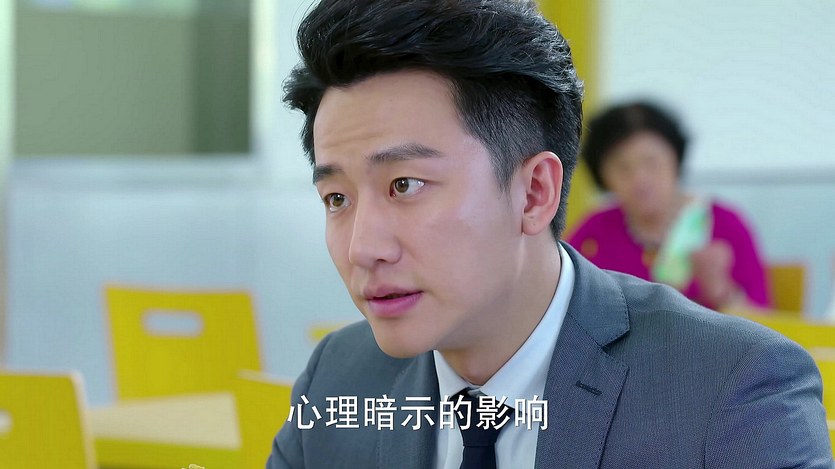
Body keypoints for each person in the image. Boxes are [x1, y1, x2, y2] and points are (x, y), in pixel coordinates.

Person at [269, 0, 831, 467]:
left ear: (535, 193)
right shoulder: (337, 380)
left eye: (405, 185)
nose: (362, 248)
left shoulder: (731, 391)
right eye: (337, 199)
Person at [568, 102, 771, 312]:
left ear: (676, 158)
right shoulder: (594, 231)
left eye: (651, 162)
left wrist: (721, 291)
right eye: (622, 167)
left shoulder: (725, 225)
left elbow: (768, 326)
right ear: (602, 175)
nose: (639, 179)